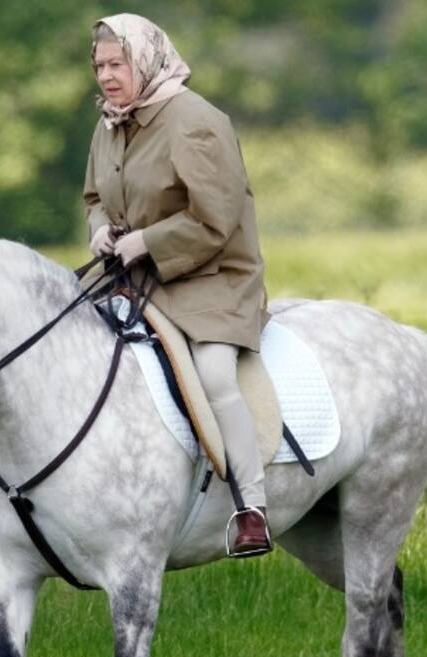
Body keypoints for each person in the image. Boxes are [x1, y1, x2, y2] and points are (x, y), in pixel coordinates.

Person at [83, 13, 271, 556]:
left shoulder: (195, 121)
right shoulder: (111, 123)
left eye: (117, 63)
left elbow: (215, 219)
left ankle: (251, 507)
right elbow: (96, 197)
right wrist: (100, 232)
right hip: (135, 278)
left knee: (213, 373)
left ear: (145, 59)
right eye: (100, 65)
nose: (107, 75)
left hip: (212, 277)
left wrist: (145, 242)